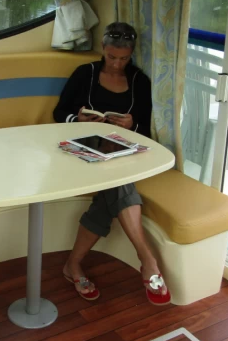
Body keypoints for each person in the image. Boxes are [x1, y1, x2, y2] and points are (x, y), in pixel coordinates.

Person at [53, 22, 171, 305]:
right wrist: (77, 119)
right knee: (119, 182)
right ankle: (147, 260)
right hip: (82, 149)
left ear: (131, 54)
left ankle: (73, 265)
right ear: (103, 49)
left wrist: (132, 125)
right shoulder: (85, 73)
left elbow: (145, 129)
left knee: (114, 186)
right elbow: (59, 112)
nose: (117, 64)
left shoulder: (140, 81)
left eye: (124, 58)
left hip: (123, 152)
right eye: (111, 57)